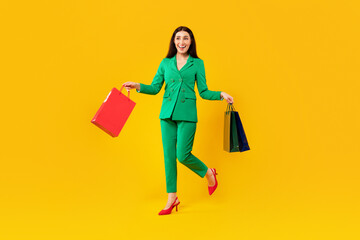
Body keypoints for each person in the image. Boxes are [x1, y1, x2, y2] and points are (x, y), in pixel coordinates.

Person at [122, 26, 234, 215]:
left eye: (186, 38)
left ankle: (208, 173)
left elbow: (204, 92)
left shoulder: (198, 63)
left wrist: (221, 94)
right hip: (167, 115)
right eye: (178, 38)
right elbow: (156, 88)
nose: (181, 42)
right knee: (169, 158)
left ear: (191, 42)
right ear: (174, 41)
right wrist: (138, 86)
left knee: (182, 155)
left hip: (188, 114)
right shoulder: (166, 63)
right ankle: (172, 197)